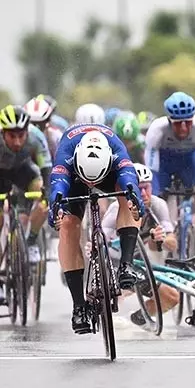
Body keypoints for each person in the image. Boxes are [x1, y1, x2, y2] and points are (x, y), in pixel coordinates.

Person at [49, 124, 144, 333]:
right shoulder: (66, 152)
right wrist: (55, 207)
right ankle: (78, 306)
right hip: (74, 177)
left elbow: (130, 180)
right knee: (68, 225)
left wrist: (135, 199)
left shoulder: (117, 152)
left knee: (128, 198)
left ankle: (126, 265)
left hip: (108, 173)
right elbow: (57, 186)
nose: (91, 184)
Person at [144, 92, 195, 273]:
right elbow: (152, 168)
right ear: (169, 121)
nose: (183, 127)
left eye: (188, 122)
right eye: (177, 123)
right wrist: (157, 194)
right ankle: (158, 256)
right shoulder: (157, 129)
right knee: (158, 204)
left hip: (190, 161)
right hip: (164, 164)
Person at [101, 163, 179, 327]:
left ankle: (136, 319)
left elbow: (172, 243)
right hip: (118, 263)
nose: (143, 193)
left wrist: (162, 239)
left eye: (146, 188)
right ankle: (113, 318)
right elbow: (101, 240)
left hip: (142, 265)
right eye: (139, 189)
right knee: (120, 290)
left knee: (172, 297)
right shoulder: (117, 208)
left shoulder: (158, 205)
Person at [0, 105, 52, 304]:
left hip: (24, 172)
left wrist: (47, 193)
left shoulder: (36, 137)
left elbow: (46, 168)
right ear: (3, 133)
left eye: (21, 136)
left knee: (45, 200)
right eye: (11, 136)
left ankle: (30, 242)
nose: (17, 142)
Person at [24, 94, 65, 158]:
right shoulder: (17, 138)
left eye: (39, 124)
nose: (35, 130)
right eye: (32, 124)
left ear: (48, 120)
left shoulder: (57, 137)